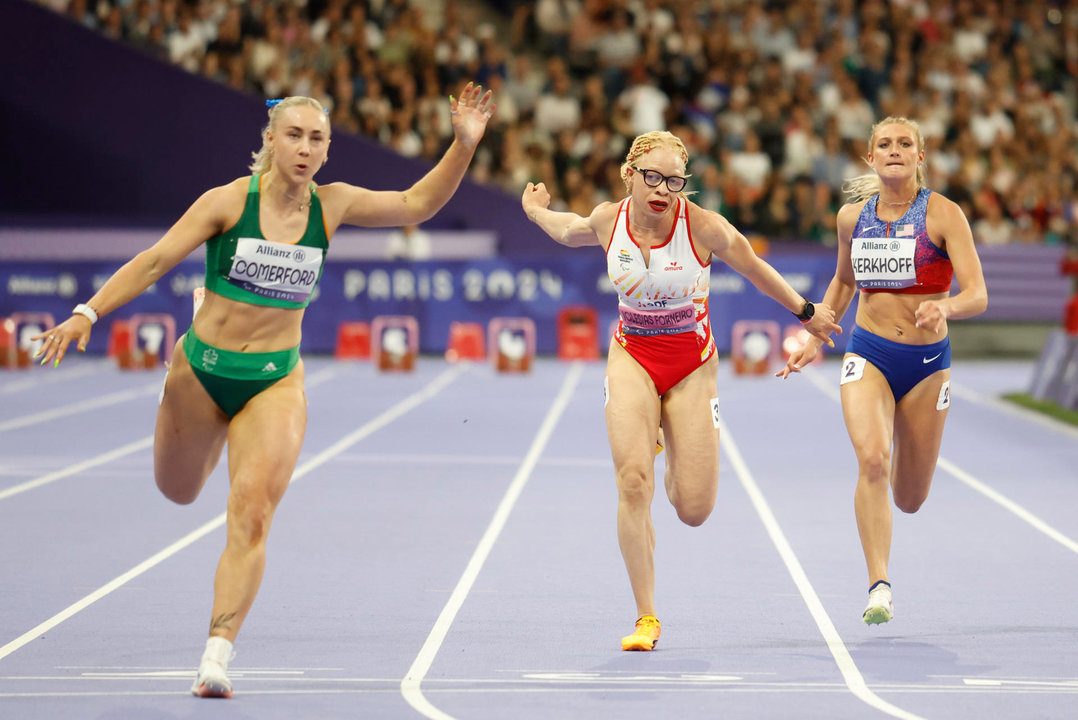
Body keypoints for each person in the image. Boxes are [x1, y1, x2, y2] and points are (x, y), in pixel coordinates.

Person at [33, 82, 496, 696]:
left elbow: (416, 203)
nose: (304, 149)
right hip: (201, 372)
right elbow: (152, 261)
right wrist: (87, 314)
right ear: (271, 141)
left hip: (274, 379)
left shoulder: (333, 206)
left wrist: (463, 145)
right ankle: (201, 358)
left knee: (250, 514)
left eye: (317, 139)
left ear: (328, 151)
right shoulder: (227, 202)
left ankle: (216, 656)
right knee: (177, 490)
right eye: (295, 135)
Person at [521, 130, 841, 651]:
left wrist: (807, 312)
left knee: (694, 509)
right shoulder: (610, 220)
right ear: (630, 174)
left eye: (674, 180)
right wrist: (535, 211)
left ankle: (668, 438)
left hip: (691, 365)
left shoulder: (705, 228)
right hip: (632, 355)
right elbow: (568, 229)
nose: (663, 188)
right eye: (652, 176)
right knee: (631, 482)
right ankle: (646, 616)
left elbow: (756, 269)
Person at [778, 116, 987, 625]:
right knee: (872, 458)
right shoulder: (851, 218)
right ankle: (879, 586)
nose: (895, 150)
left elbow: (978, 295)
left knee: (910, 497)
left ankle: (901, 472)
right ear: (870, 157)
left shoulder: (943, 214)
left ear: (921, 155)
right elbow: (844, 284)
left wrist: (945, 309)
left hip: (926, 364)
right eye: (885, 144)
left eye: (905, 144)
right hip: (868, 352)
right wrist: (814, 334)